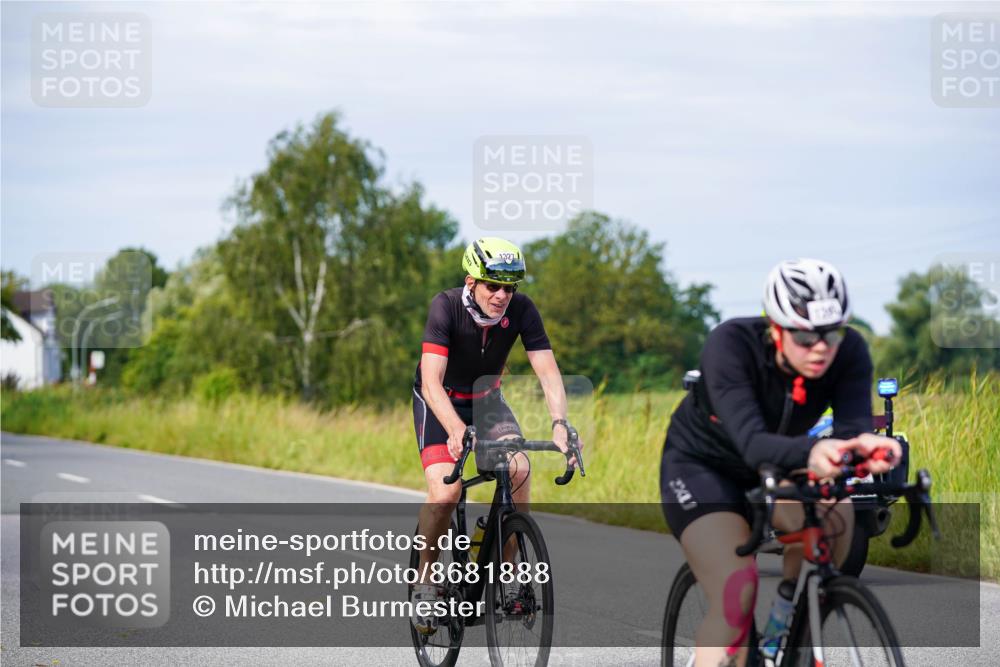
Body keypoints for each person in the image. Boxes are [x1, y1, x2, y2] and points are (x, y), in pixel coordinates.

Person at [660, 258, 902, 667]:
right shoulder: (731, 344)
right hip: (704, 466)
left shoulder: (850, 351)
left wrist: (864, 448)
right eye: (806, 338)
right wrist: (815, 453)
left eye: (831, 332)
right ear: (776, 328)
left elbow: (849, 431)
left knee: (837, 518)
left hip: (782, 456)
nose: (822, 348)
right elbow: (752, 443)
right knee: (735, 593)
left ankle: (785, 624)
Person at [410, 237, 579, 634]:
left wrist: (560, 423)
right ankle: (425, 583)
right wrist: (454, 428)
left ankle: (508, 574)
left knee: (519, 470)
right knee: (446, 493)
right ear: (471, 281)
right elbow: (431, 382)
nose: (502, 295)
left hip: (486, 400)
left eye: (510, 287)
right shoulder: (446, 306)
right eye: (493, 286)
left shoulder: (521, 309)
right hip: (441, 403)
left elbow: (548, 371)